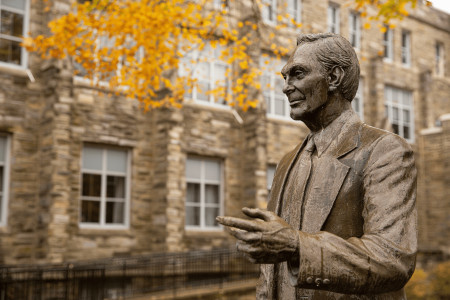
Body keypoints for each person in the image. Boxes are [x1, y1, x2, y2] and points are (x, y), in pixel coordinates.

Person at [217, 33, 417, 299]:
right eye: (285, 77)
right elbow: (270, 275)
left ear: (333, 78)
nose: (286, 87)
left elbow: (392, 259)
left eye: (298, 74)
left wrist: (296, 245)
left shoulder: (384, 150)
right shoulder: (288, 161)